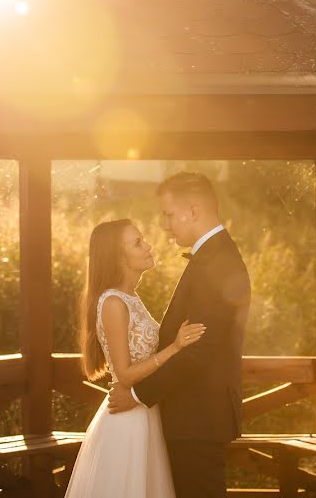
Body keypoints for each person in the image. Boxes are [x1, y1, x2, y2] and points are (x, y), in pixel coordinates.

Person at [108, 172, 252, 498]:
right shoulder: (213, 256)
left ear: (192, 211)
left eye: (169, 214)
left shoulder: (218, 263)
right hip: (192, 418)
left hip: (197, 420)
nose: (165, 224)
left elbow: (198, 353)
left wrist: (137, 395)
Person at [64, 218, 206, 498]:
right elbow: (125, 374)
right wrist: (175, 347)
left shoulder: (132, 298)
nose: (148, 246)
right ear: (118, 257)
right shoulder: (113, 303)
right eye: (138, 242)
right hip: (126, 422)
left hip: (144, 413)